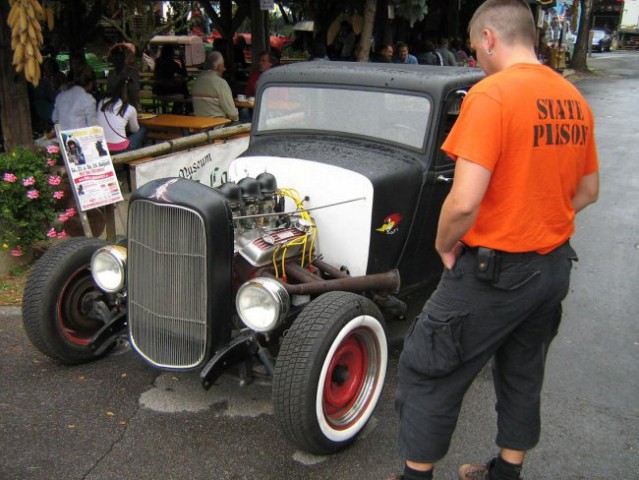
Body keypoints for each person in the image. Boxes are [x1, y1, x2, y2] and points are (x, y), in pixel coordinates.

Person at [389, 1, 599, 480]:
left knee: (429, 368)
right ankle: (506, 472)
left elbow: (463, 202)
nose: (475, 58)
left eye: (472, 47)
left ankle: (415, 476)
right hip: (552, 268)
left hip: (495, 271)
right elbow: (587, 191)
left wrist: (444, 244)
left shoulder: (493, 95)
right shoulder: (572, 98)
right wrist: (541, 214)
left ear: (488, 37)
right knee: (523, 370)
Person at [97, 77, 147, 153]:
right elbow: (135, 130)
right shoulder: (130, 108)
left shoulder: (102, 103)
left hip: (102, 147)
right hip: (121, 149)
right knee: (143, 129)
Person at [191, 51, 239, 122]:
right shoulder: (221, 83)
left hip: (200, 125)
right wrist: (236, 118)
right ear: (219, 67)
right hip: (217, 127)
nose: (224, 69)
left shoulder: (197, 81)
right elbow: (232, 114)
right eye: (223, 66)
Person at [52, 65, 97, 130]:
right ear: (91, 83)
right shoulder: (88, 99)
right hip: (81, 138)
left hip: (64, 138)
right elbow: (93, 125)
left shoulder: (61, 95)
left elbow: (55, 118)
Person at [152, 44, 190, 113]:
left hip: (158, 89)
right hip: (166, 89)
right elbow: (184, 74)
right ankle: (178, 111)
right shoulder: (172, 64)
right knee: (183, 89)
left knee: (182, 88)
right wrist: (182, 61)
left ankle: (178, 109)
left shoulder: (158, 62)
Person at [106, 43, 140, 109]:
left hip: (129, 105)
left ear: (123, 59)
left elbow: (134, 93)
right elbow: (108, 91)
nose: (116, 62)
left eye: (118, 59)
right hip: (113, 105)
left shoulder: (132, 72)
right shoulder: (111, 73)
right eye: (114, 59)